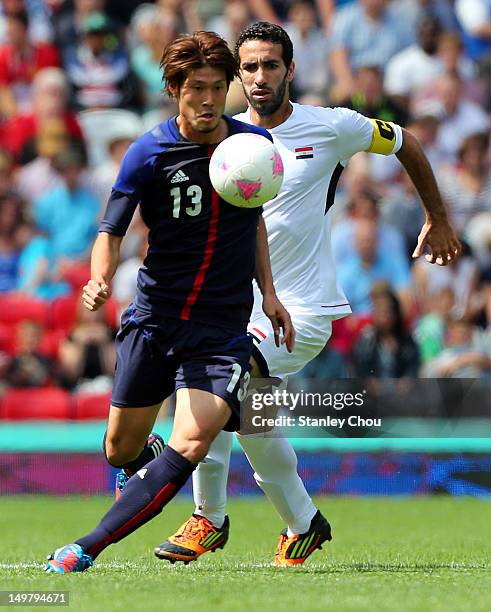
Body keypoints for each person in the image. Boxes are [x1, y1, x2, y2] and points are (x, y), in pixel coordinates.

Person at [154, 22, 460, 568]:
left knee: (216, 386)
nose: (259, 76)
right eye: (249, 66)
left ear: (290, 70)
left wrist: (437, 216)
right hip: (232, 309)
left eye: (271, 65)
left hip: (303, 310)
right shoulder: (219, 137)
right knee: (250, 417)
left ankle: (209, 518)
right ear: (235, 74)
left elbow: (405, 141)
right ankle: (302, 522)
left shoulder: (332, 126)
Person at [44, 30, 294, 573]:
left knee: (194, 438)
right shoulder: (148, 152)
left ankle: (85, 547)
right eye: (195, 89)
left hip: (221, 330)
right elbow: (111, 229)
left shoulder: (252, 150)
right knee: (118, 449)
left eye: (216, 88)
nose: (207, 100)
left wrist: (269, 294)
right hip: (155, 320)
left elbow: (253, 226)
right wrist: (99, 278)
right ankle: (148, 467)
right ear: (175, 89)